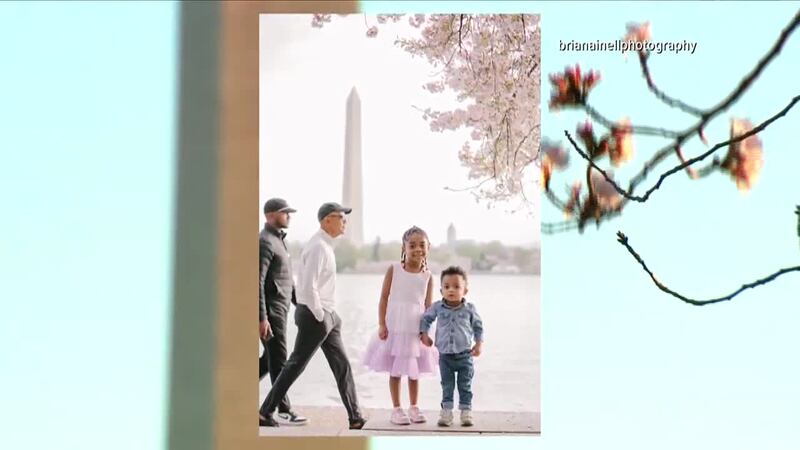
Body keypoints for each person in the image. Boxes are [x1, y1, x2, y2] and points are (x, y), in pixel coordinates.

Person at [259, 202, 367, 430]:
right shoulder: (318, 247)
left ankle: (355, 417)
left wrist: (328, 315)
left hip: (327, 315)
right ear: (326, 220)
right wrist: (319, 315)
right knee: (295, 365)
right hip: (316, 316)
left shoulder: (325, 246)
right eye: (341, 217)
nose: (344, 222)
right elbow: (308, 286)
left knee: (342, 365)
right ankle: (266, 411)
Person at [362, 226, 438, 425]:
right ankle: (396, 408)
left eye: (422, 245)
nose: (417, 249)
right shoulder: (394, 269)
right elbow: (384, 298)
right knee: (395, 369)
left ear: (428, 247)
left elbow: (428, 306)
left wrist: (425, 331)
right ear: (404, 248)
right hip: (395, 325)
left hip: (415, 327)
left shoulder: (428, 275)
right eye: (412, 245)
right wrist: (381, 324)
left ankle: (414, 406)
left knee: (415, 370)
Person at [258, 198, 308, 425]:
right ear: (270, 215)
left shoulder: (279, 240)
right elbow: (256, 281)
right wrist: (262, 318)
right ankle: (283, 409)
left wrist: (303, 304)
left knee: (268, 360)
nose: (289, 216)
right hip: (271, 312)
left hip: (281, 309)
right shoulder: (265, 242)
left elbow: (288, 281)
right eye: (284, 212)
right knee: (279, 361)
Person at [419, 266, 484, 427]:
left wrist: (479, 344)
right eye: (447, 287)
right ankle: (446, 412)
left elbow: (478, 327)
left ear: (465, 290)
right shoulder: (438, 307)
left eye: (456, 287)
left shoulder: (469, 309)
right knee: (447, 385)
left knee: (465, 385)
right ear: (441, 290)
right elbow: (426, 319)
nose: (451, 290)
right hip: (445, 357)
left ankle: (466, 411)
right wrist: (424, 334)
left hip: (465, 356)